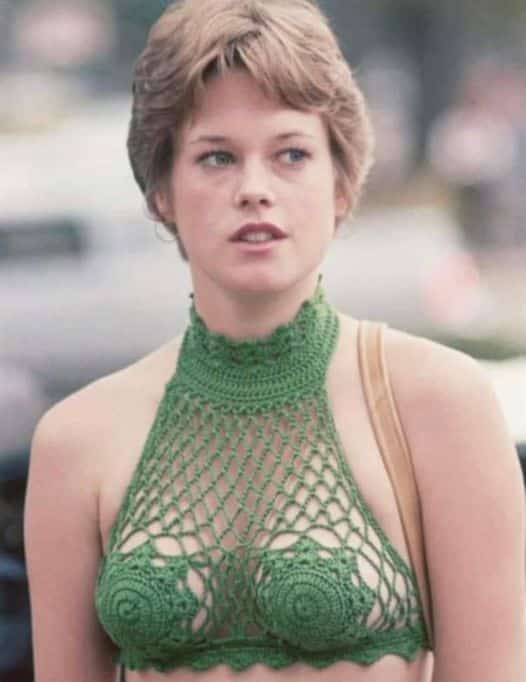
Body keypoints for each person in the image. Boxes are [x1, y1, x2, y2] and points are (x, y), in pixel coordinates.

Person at [24, 1, 526, 681]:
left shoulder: (439, 402)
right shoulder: (76, 440)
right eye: (216, 157)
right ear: (161, 192)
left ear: (340, 184)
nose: (254, 190)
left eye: (291, 154)